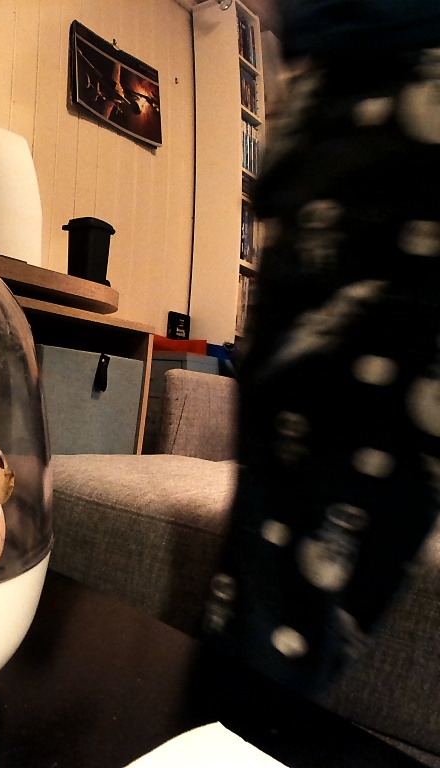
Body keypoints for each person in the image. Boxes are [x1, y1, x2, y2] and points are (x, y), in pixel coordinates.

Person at [202, 0, 440, 695]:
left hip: (377, 99)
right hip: (373, 99)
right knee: (299, 572)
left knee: (283, 586)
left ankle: (246, 718)